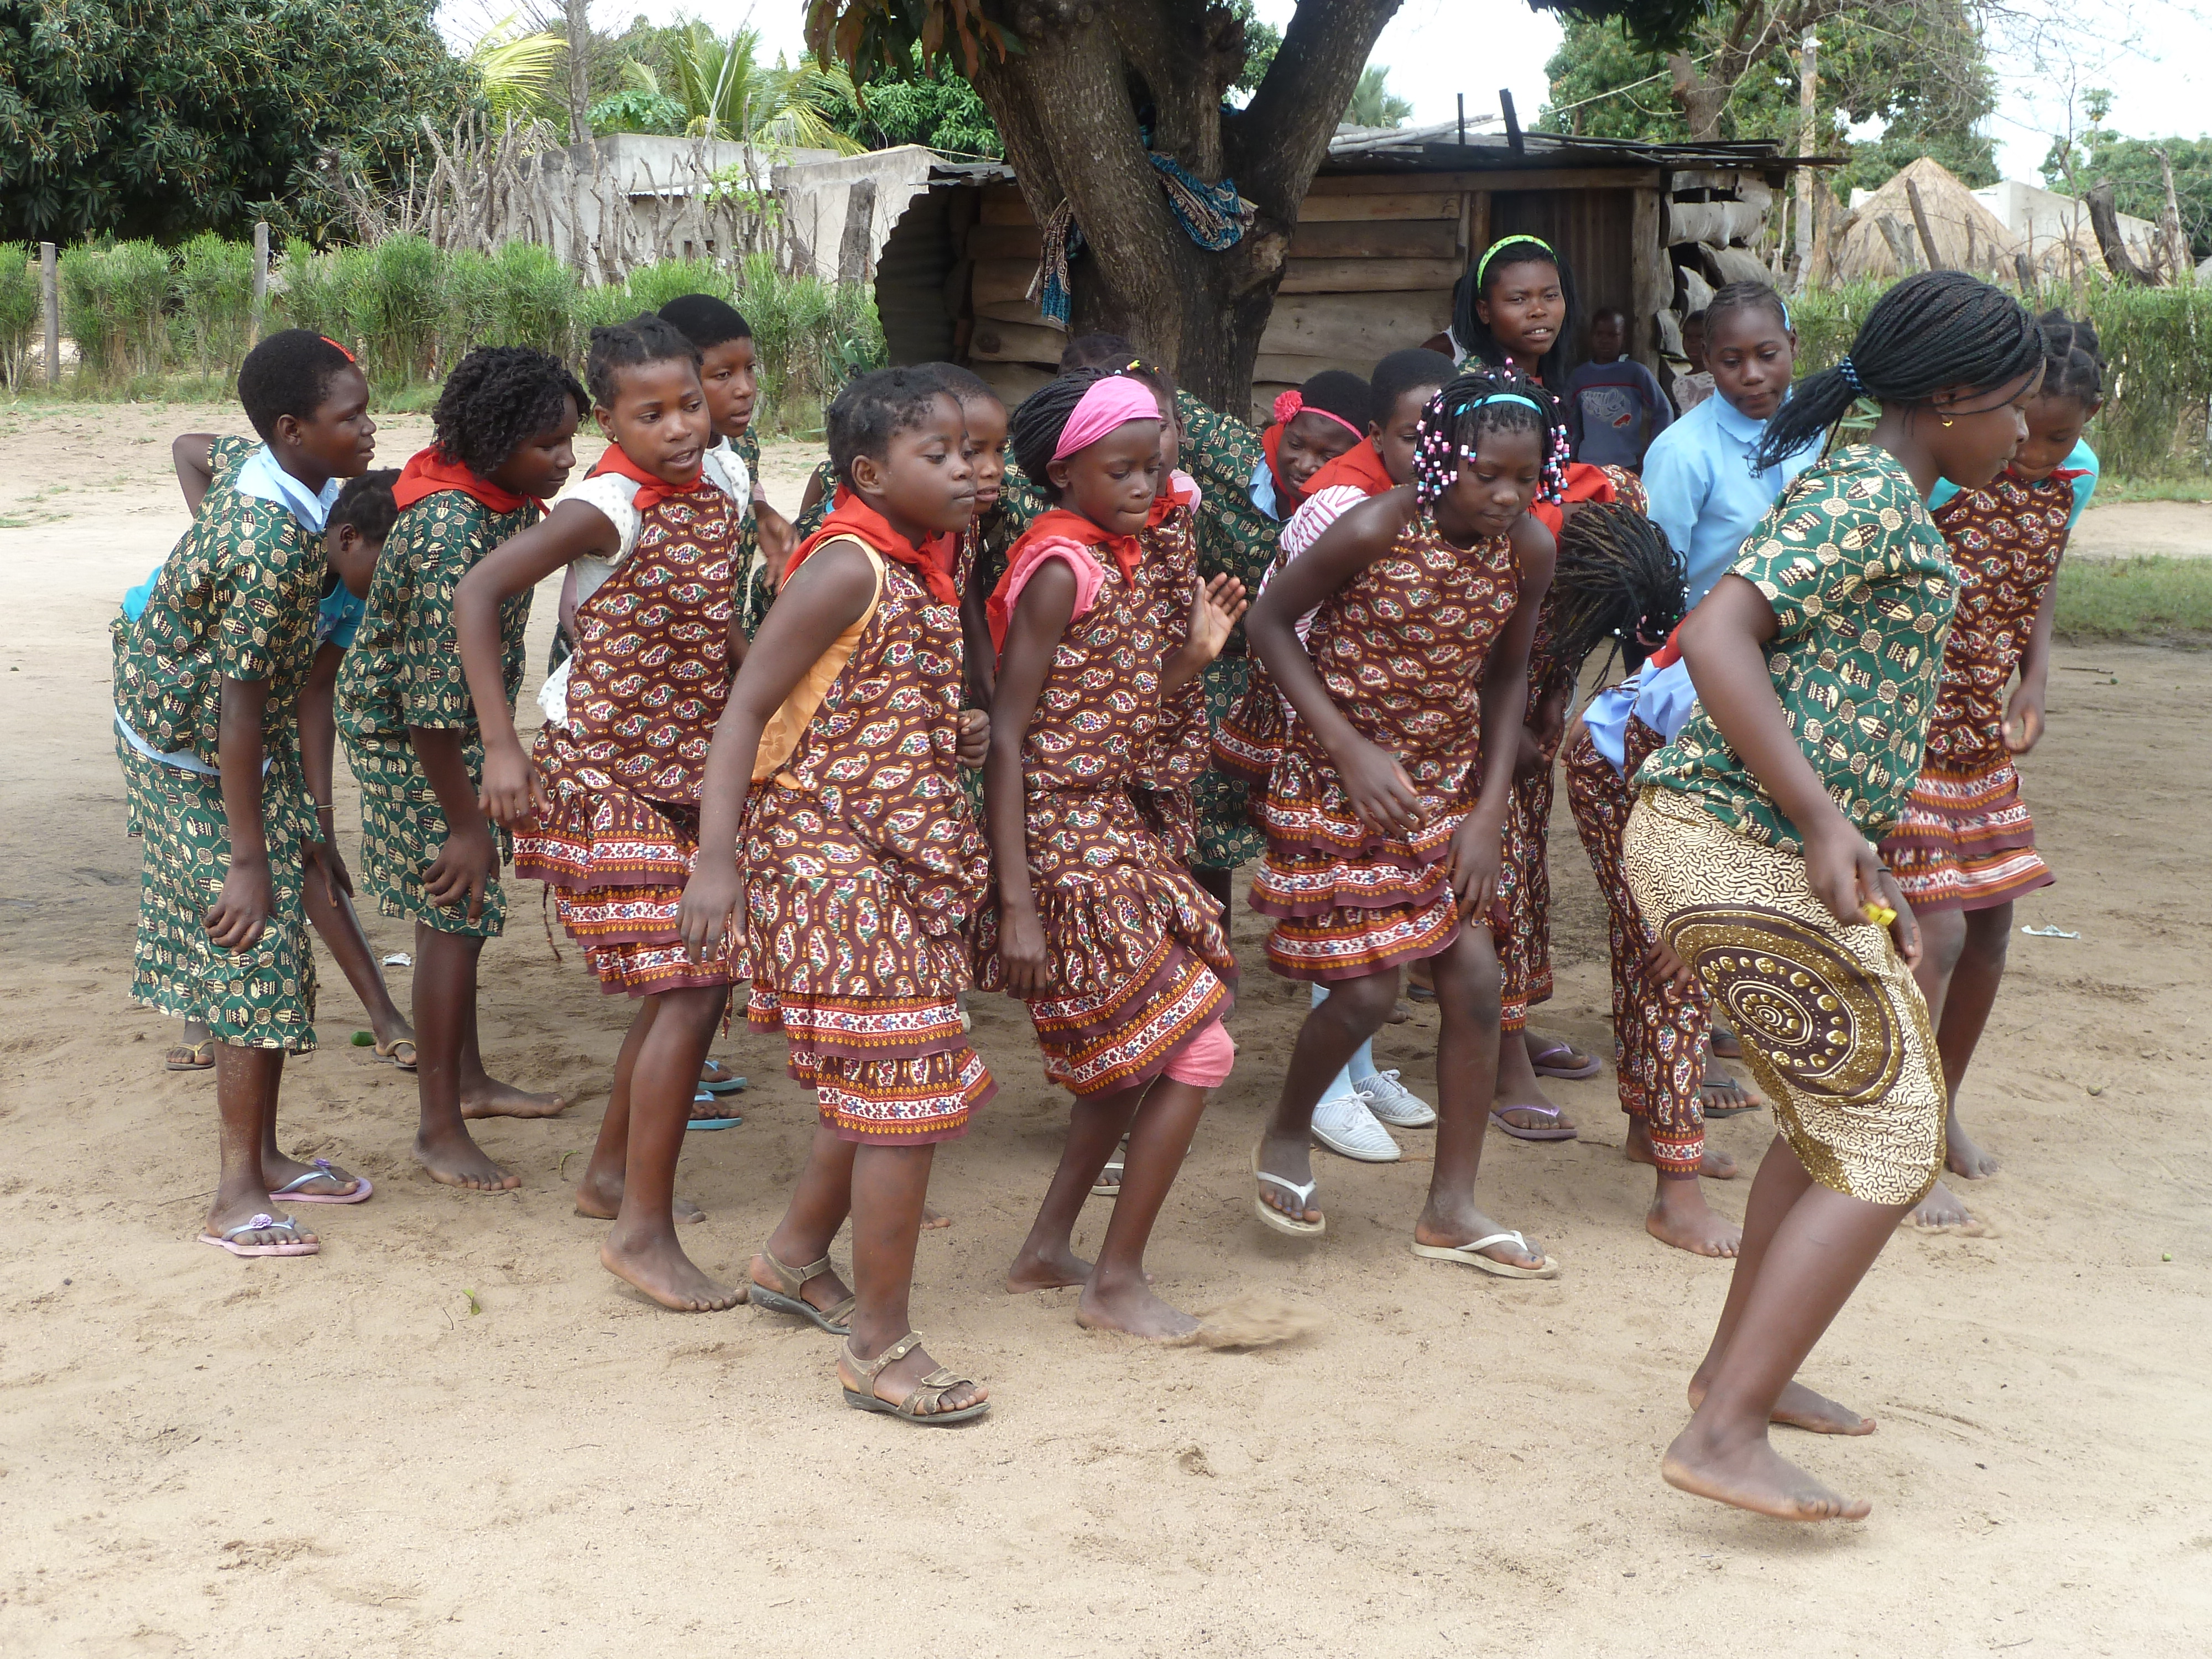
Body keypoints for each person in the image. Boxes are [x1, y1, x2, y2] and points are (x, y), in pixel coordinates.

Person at [1623, 269, 2045, 1521]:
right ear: (1952, 396)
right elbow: (1714, 636)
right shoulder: (1869, 493)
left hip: (1761, 843)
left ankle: (1740, 1372)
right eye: (2012, 408)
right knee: (1888, 1131)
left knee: (1830, 1118)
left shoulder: (1883, 494)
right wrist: (1816, 820)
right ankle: (1723, 1426)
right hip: (1724, 838)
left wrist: (1849, 845)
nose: (2022, 432)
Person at [676, 366, 993, 1423]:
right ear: (869, 473)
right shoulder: (847, 567)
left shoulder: (928, 561)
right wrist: (715, 861)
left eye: (972, 451)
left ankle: (791, 1258)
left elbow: (869, 695)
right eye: (938, 455)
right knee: (904, 1087)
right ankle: (877, 1348)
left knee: (880, 1076)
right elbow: (745, 709)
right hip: (825, 853)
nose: (967, 470)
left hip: (894, 848)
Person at [1243, 369, 1558, 1278]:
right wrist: (1345, 747)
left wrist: (1492, 807)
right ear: (1443, 462)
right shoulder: (1378, 526)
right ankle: (1285, 1135)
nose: (1504, 497)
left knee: (1474, 982)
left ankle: (1452, 1207)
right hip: (1343, 780)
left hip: (1445, 785)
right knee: (1370, 990)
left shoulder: (1526, 551)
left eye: (1523, 479)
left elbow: (1507, 677)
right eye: (1487, 475)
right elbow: (1268, 624)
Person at [459, 314, 744, 1306]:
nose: (680, 428)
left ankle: (612, 1179)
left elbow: (722, 630)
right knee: (693, 982)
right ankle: (640, 1231)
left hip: (693, 769)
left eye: (691, 405)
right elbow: (479, 592)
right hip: (604, 773)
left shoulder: (728, 484)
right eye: (651, 413)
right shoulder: (601, 506)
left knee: (689, 983)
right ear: (613, 421)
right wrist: (503, 747)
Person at [982, 368, 1246, 1338]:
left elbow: (1115, 709)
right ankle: (1116, 1282)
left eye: (1155, 467)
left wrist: (1194, 656)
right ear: (1066, 474)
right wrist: (1016, 898)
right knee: (1200, 1041)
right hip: (1062, 835)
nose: (1145, 486)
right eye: (1122, 470)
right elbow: (1011, 735)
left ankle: (1051, 1249)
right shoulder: (1061, 568)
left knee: (1132, 1056)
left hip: (1107, 823)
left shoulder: (1120, 557)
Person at [114, 330, 379, 1255]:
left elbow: (199, 455)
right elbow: (238, 710)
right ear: (292, 429)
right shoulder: (268, 545)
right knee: (253, 945)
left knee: (270, 926)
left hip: (227, 729)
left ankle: (265, 1158)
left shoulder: (281, 472)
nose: (370, 428)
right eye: (352, 417)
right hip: (186, 744)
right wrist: (245, 857)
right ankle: (234, 1194)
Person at [335, 346, 585, 1192]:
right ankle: (438, 1127)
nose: (566, 459)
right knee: (456, 904)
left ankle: (469, 1084)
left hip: (453, 723)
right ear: (494, 439)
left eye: (571, 440)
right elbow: (427, 706)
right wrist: (466, 824)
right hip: (412, 736)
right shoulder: (451, 530)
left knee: (464, 914)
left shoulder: (502, 498)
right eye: (549, 444)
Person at [1884, 310, 2104, 1229]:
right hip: (1909, 725)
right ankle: (1894, 1147)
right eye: (2033, 430)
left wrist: (2036, 680)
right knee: (1929, 938)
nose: (2043, 451)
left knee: (1991, 929)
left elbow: (2041, 573)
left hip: (1982, 726)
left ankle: (1941, 1110)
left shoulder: (2068, 479)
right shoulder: (1949, 476)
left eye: (2064, 435)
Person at [1214, 346, 1458, 1161]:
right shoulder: (1339, 506)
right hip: (1326, 742)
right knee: (1341, 911)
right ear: (1382, 434)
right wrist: (1330, 745)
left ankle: (1358, 1066)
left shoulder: (1411, 499)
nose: (1434, 447)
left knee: (1369, 907)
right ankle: (1331, 1092)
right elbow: (1291, 632)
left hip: (1369, 740)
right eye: (1416, 431)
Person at [135, 446, 415, 1075]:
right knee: (209, 859)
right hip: (176, 700)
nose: (399, 584)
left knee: (307, 846)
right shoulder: (269, 542)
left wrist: (320, 809)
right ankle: (199, 1013)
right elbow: (183, 448)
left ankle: (383, 1012)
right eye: (393, 564)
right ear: (349, 537)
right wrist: (213, 533)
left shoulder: (349, 593)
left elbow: (315, 695)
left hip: (256, 704)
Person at [1433, 233, 1627, 1140]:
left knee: (1523, 848)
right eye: (1517, 298)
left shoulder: (1556, 396)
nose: (1538, 312)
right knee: (1494, 849)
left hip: (1533, 645)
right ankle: (1498, 1051)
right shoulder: (1466, 399)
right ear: (1484, 309)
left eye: (1550, 295)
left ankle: (1516, 1020)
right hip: (1478, 646)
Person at [1556, 507, 1748, 1256]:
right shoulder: (1729, 679)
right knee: (1678, 965)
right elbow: (1695, 796)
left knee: (1662, 953)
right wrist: (1689, 910)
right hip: (1626, 777)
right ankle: (1677, 1196)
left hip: (1665, 774)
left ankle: (1650, 1129)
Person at [1164, 358, 1374, 912]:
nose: (1305, 464)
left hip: (1298, 673)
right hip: (1206, 655)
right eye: (1298, 444)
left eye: (1329, 457)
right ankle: (1212, 947)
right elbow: (1155, 390)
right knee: (1202, 803)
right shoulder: (1222, 453)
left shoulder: (1358, 510)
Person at [1643, 282, 1818, 610]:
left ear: (1792, 344)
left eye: (1767, 356)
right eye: (1732, 362)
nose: (1752, 375)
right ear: (1707, 359)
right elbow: (1657, 581)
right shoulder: (1682, 454)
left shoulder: (1810, 428)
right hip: (1704, 648)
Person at [1564, 307, 1673, 470]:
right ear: (1591, 336)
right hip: (1587, 464)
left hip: (1628, 464)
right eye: (1599, 334)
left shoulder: (1636, 373)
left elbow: (1664, 411)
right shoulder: (1580, 377)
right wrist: (1571, 457)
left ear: (1623, 338)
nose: (1605, 340)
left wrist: (1652, 451)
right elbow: (1570, 420)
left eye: (1612, 335)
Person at [1672, 310, 1715, 414]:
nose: (1693, 343)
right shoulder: (1680, 384)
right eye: (1688, 337)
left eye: (1701, 337)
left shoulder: (1722, 379)